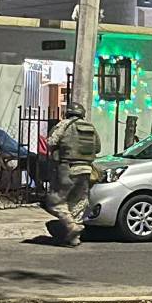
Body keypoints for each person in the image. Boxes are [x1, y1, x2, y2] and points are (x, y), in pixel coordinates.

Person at [44, 102, 101, 247]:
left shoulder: (64, 124)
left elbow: (50, 142)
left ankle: (72, 226)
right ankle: (74, 238)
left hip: (68, 168)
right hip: (87, 169)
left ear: (67, 113)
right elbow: (98, 148)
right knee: (79, 202)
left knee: (54, 201)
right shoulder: (90, 127)